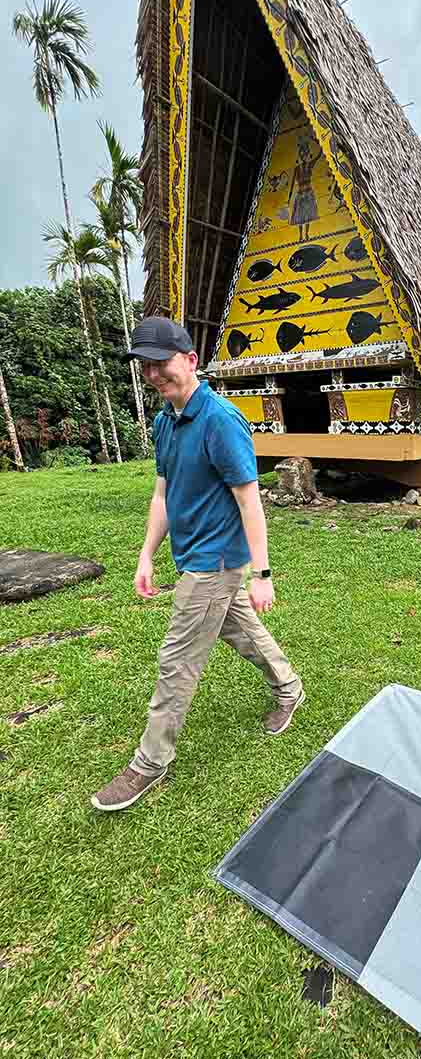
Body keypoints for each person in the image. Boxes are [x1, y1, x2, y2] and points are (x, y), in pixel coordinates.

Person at [91, 317, 304, 812]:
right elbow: (163, 493)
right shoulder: (165, 420)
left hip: (217, 560)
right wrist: (147, 553)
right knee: (238, 628)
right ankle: (289, 688)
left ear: (189, 360)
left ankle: (149, 762)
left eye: (160, 363)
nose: (153, 374)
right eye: (145, 367)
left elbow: (250, 501)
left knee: (177, 659)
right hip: (191, 555)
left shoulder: (220, 420)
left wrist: (262, 572)